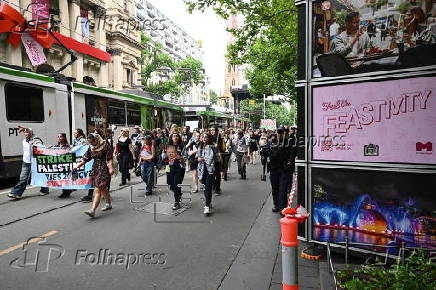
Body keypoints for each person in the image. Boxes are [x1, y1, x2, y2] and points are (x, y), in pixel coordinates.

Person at [74, 133, 114, 218]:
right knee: (102, 188)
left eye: (92, 142)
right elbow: (85, 159)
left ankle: (92, 210)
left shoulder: (105, 145)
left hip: (104, 169)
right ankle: (108, 204)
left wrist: (110, 168)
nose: (91, 144)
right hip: (95, 169)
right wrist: (76, 167)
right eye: (90, 142)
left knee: (98, 188)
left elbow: (109, 159)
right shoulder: (91, 147)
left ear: (96, 139)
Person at [9, 128, 49, 199]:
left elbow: (40, 149)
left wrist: (34, 144)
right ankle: (16, 193)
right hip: (26, 162)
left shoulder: (36, 140)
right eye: (24, 132)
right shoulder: (24, 141)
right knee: (23, 178)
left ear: (31, 133)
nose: (26, 134)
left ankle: (45, 189)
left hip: (35, 162)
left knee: (40, 175)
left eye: (27, 132)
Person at [268, 128, 297, 213]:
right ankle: (277, 205)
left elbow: (292, 154)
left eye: (281, 133)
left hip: (283, 169)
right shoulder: (271, 142)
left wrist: (289, 163)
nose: (279, 134)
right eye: (278, 133)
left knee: (282, 189)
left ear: (284, 133)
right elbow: (266, 153)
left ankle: (282, 208)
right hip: (274, 169)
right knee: (275, 188)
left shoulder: (288, 142)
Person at [163, 134, 186, 210]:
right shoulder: (167, 146)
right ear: (171, 138)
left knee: (176, 184)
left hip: (179, 167)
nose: (175, 137)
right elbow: (163, 156)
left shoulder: (182, 146)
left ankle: (177, 202)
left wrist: (179, 157)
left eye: (176, 136)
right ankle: (178, 193)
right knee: (170, 184)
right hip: (168, 167)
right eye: (173, 136)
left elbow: (185, 158)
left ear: (179, 138)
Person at [197, 133, 217, 216]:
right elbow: (197, 158)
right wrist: (198, 159)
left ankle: (206, 206)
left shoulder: (212, 147)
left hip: (210, 170)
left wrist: (202, 159)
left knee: (208, 187)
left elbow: (212, 158)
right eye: (203, 137)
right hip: (202, 170)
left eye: (206, 137)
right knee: (206, 188)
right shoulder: (200, 147)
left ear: (209, 138)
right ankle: (209, 202)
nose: (204, 138)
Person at [53, 133, 74, 198]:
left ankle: (66, 192)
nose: (59, 138)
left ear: (64, 138)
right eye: (58, 137)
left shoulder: (67, 146)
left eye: (61, 137)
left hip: (66, 164)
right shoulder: (56, 146)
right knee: (62, 178)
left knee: (66, 177)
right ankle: (65, 191)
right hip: (59, 164)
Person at [209, 126, 224, 195]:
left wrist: (218, 145)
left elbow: (222, 148)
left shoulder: (219, 137)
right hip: (210, 159)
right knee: (211, 174)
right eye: (211, 130)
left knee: (217, 174)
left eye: (213, 130)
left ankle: (217, 188)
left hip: (217, 158)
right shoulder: (208, 138)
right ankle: (214, 185)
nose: (212, 131)